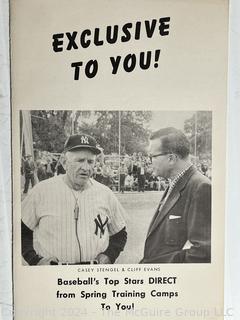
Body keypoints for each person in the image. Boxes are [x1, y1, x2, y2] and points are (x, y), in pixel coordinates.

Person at [21, 134, 127, 265]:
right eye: (80, 160)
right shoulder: (41, 191)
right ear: (65, 163)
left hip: (93, 274)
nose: (86, 167)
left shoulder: (106, 193)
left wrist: (109, 255)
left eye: (90, 161)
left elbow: (120, 233)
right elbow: (21, 230)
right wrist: (35, 260)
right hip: (55, 274)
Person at [141, 127, 211, 263]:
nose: (150, 161)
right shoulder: (176, 183)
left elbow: (202, 252)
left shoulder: (200, 187)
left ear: (171, 158)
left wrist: (156, 268)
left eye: (152, 156)